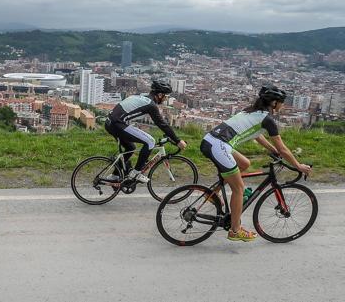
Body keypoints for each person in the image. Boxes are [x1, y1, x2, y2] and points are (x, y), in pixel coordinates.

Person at [200, 85, 312, 242]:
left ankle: (212, 193)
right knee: (239, 189)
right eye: (281, 102)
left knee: (244, 163)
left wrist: (272, 150)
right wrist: (298, 165)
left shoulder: (251, 111)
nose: (282, 105)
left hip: (210, 140)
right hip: (220, 146)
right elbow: (284, 149)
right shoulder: (267, 119)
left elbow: (256, 135)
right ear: (273, 103)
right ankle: (235, 230)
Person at [104, 80, 187, 183]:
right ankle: (137, 172)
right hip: (117, 124)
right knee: (150, 141)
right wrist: (178, 140)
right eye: (165, 96)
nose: (166, 98)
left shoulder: (140, 97)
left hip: (110, 123)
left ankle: (115, 176)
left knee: (131, 147)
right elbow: (162, 124)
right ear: (160, 95)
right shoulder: (150, 105)